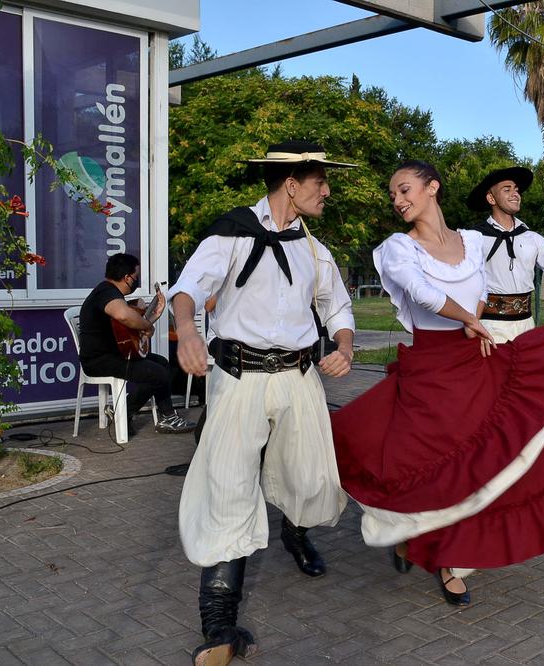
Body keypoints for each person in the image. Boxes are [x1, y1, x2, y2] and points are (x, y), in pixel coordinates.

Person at [331, 161, 544, 607]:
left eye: (404, 189)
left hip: (476, 359)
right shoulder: (398, 248)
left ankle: (455, 562)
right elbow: (422, 293)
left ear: (432, 187)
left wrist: (483, 319)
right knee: (426, 465)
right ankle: (409, 533)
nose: (397, 200)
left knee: (490, 463)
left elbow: (480, 289)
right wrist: (471, 318)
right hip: (429, 372)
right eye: (392, 194)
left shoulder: (472, 243)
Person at [169, 141, 356, 665]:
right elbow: (187, 289)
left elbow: (337, 307)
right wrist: (187, 331)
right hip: (238, 377)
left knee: (312, 479)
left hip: (298, 378)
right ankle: (219, 630)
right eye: (320, 180)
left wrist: (342, 345)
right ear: (291, 184)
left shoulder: (315, 251)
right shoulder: (230, 233)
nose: (327, 189)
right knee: (227, 489)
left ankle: (295, 533)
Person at [78, 253, 196, 437]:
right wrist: (147, 325)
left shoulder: (110, 293)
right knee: (157, 373)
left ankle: (166, 417)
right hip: (99, 360)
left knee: (162, 363)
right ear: (127, 277)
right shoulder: (106, 293)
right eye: (135, 276)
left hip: (114, 354)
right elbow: (124, 316)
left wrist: (152, 317)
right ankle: (124, 412)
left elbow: (126, 330)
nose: (136, 281)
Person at [466, 166, 544, 342]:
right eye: (507, 189)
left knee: (530, 369)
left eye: (516, 189)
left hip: (526, 325)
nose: (515, 194)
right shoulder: (474, 238)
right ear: (491, 198)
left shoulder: (532, 238)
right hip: (489, 325)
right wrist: (472, 323)